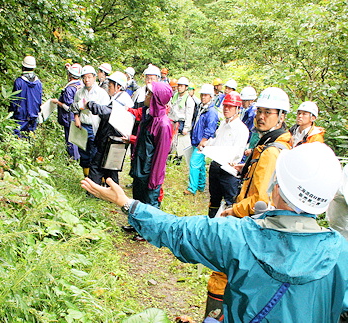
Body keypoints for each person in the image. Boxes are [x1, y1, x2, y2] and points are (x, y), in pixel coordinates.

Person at [81, 142, 347, 323]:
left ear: (276, 187)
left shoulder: (237, 235)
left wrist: (127, 203)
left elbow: (176, 230)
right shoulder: (341, 253)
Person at [208, 87, 292, 320]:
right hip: (260, 226)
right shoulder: (269, 143)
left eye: (268, 112)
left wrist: (231, 211)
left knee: (223, 275)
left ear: (281, 116)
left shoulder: (272, 150)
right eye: (259, 112)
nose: (261, 117)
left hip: (251, 224)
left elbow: (260, 199)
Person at [80, 71, 133, 185]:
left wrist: (90, 104)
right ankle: (113, 192)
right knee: (110, 168)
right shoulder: (119, 98)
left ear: (118, 87)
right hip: (113, 139)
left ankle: (93, 192)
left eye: (110, 86)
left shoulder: (122, 100)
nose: (108, 88)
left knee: (96, 167)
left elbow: (106, 112)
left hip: (111, 139)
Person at [126, 81, 173, 210]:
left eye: (149, 94)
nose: (146, 96)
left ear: (155, 99)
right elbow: (145, 142)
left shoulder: (163, 125)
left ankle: (147, 229)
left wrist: (153, 182)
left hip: (149, 174)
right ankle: (135, 225)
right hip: (140, 168)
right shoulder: (148, 116)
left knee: (149, 206)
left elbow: (160, 156)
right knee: (137, 200)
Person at [205, 92, 249, 217]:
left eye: (230, 106)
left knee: (230, 202)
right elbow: (216, 141)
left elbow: (237, 152)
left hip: (228, 170)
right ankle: (211, 223)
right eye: (225, 106)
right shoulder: (223, 124)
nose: (226, 109)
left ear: (237, 109)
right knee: (214, 199)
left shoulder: (241, 129)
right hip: (215, 166)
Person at [71, 65, 110, 177]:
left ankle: (96, 179)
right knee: (84, 153)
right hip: (82, 126)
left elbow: (106, 112)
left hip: (95, 127)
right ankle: (86, 178)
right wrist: (76, 118)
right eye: (84, 77)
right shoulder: (79, 93)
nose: (86, 80)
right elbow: (75, 107)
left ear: (94, 77)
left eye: (89, 77)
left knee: (95, 153)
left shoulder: (101, 93)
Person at [184, 84, 218, 195]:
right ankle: (200, 185)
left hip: (202, 142)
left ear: (211, 96)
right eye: (202, 95)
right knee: (201, 164)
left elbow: (210, 128)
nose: (203, 97)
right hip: (196, 140)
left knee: (194, 163)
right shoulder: (201, 107)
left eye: (206, 95)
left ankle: (191, 188)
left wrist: (203, 140)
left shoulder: (211, 111)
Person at [51, 63, 83, 160]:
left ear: (70, 76)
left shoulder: (69, 89)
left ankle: (73, 159)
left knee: (71, 140)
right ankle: (78, 158)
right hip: (80, 117)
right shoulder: (81, 84)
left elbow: (69, 108)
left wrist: (58, 102)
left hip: (70, 118)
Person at [8, 55, 43, 137]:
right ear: (33, 68)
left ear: (23, 67)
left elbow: (14, 101)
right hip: (33, 116)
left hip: (20, 116)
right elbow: (39, 101)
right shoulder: (38, 83)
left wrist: (11, 113)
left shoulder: (19, 82)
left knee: (17, 139)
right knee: (29, 139)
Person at [168, 76, 196, 165]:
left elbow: (189, 114)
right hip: (173, 121)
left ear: (186, 87)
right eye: (179, 85)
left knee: (180, 142)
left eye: (182, 86)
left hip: (182, 122)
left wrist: (187, 128)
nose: (180, 87)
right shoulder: (175, 96)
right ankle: (168, 157)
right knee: (171, 141)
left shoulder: (189, 100)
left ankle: (177, 160)